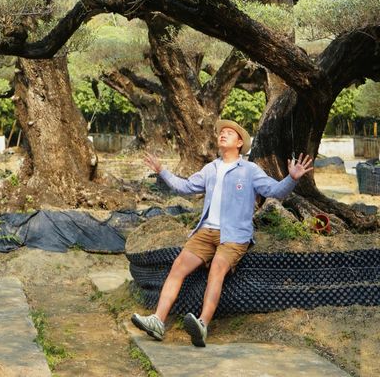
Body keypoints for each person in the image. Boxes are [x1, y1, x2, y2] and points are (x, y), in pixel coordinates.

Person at [131, 119, 314, 347]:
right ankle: (158, 321)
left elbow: (274, 191)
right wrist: (162, 171)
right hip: (206, 231)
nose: (223, 134)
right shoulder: (211, 169)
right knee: (178, 266)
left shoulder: (250, 170)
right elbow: (185, 187)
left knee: (217, 268)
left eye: (229, 132)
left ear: (239, 143)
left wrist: (292, 178)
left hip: (234, 235)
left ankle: (202, 324)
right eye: (221, 132)